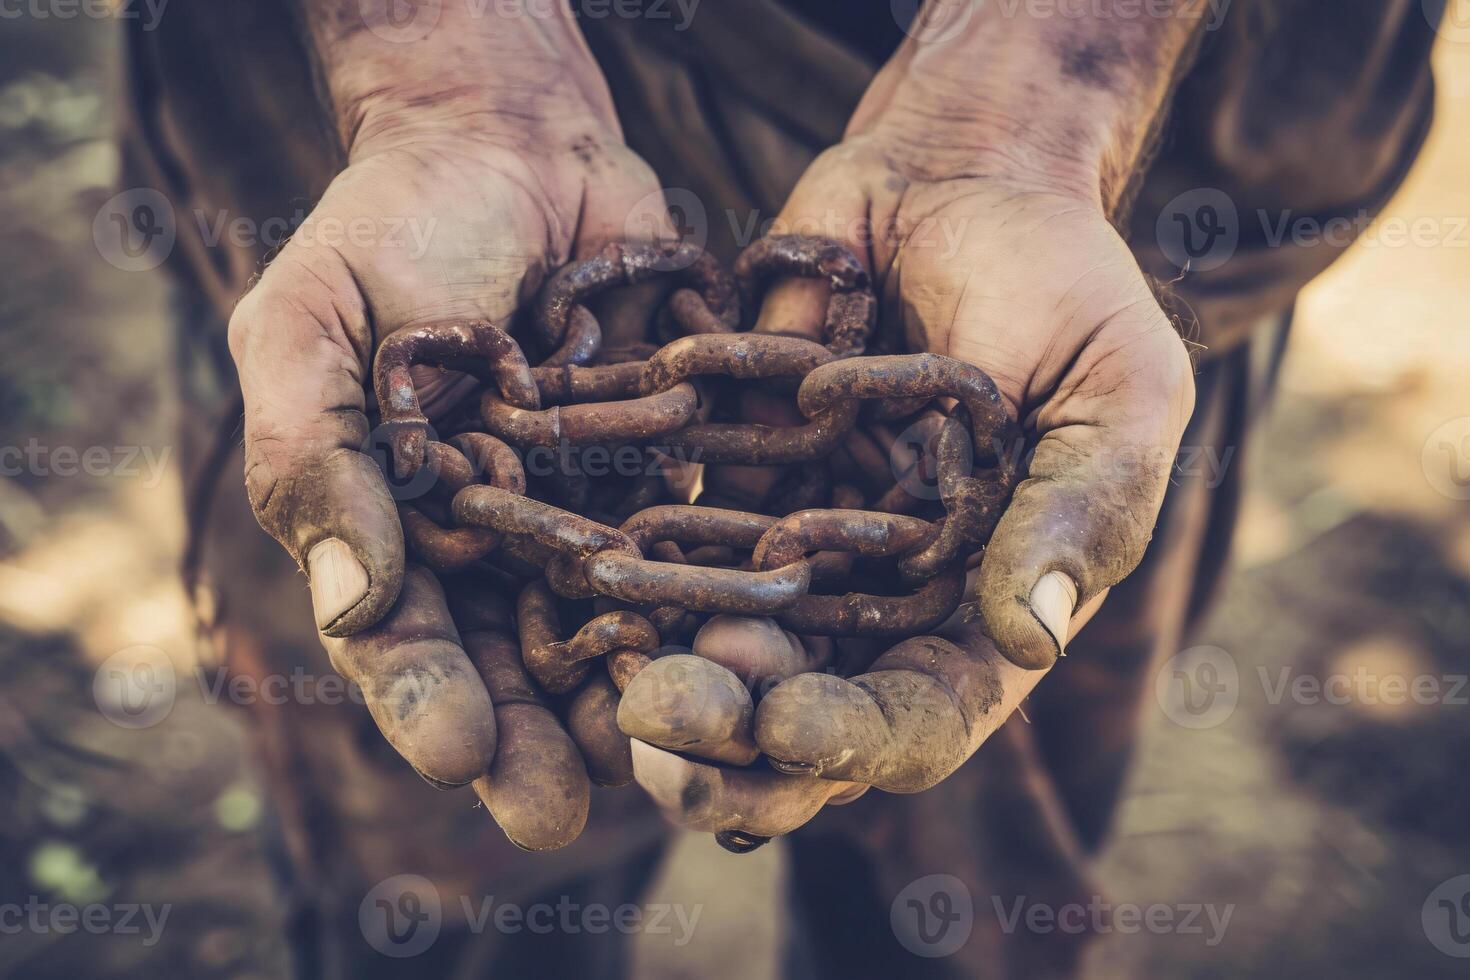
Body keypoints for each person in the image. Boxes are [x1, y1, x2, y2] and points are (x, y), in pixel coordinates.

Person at [122, 0, 1444, 975]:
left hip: (1086, 224)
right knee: (441, 890)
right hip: (380, 187)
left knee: (955, 897)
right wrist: (434, 70)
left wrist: (1038, 92)